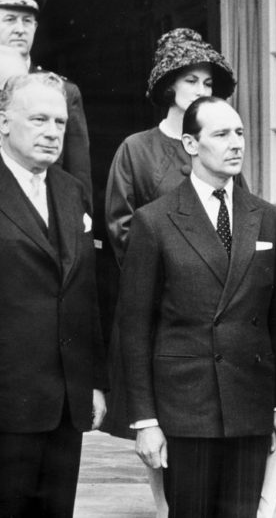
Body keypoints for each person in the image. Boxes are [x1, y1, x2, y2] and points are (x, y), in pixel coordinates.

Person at [118, 96, 276, 518]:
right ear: (191, 145)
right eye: (221, 134)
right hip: (185, 406)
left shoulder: (265, 216)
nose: (236, 143)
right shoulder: (155, 220)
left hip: (250, 403)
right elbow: (135, 328)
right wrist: (145, 421)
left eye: (239, 133)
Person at [102, 27, 237, 516]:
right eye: (192, 81)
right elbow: (120, 225)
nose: (202, 90)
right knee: (158, 417)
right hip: (159, 306)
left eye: (209, 82)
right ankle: (164, 505)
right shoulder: (136, 149)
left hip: (215, 309)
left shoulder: (220, 145)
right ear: (169, 88)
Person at [0, 72, 107, 517]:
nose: (52, 132)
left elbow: (84, 295)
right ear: (3, 122)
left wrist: (95, 383)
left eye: (60, 123)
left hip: (65, 403)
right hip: (7, 401)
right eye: (39, 119)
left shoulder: (71, 191)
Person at [0, 0, 92, 202]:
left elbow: (79, 178)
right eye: (10, 19)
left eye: (27, 21)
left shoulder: (63, 92)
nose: (20, 29)